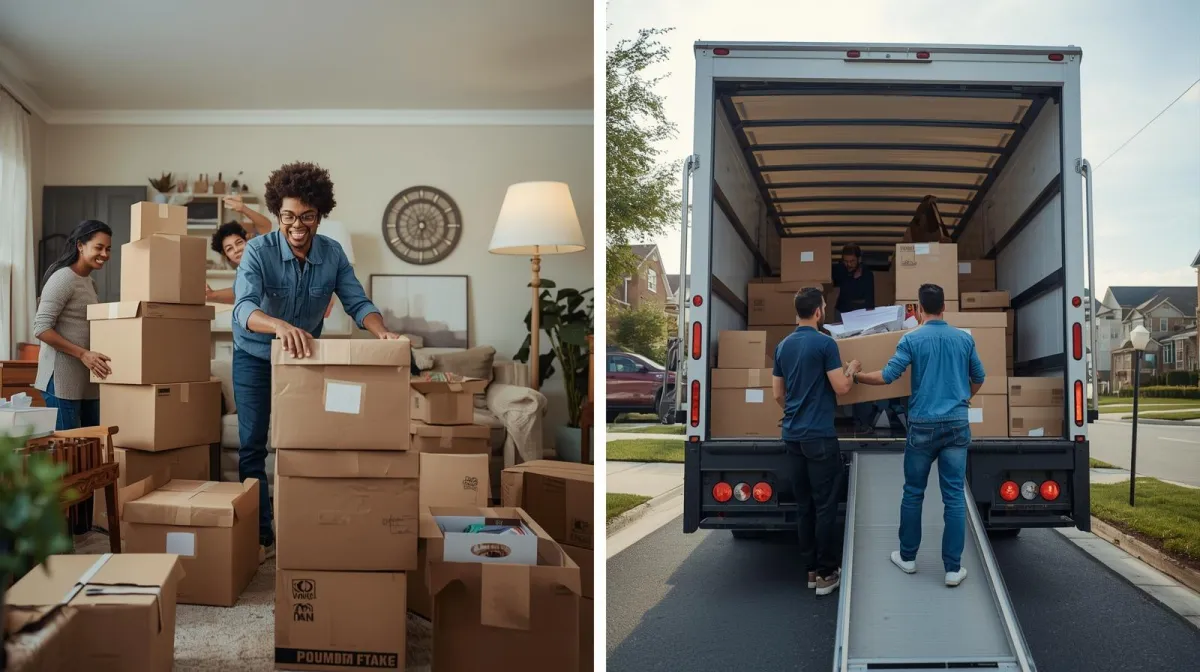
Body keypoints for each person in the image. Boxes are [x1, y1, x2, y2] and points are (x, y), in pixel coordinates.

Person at [232, 161, 403, 561]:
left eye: (307, 216)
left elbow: (357, 301)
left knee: (306, 443)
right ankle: (261, 537)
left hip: (303, 359)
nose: (297, 224)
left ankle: (304, 526)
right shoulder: (257, 250)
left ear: (320, 216)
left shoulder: (333, 253)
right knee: (253, 445)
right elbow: (243, 308)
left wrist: (382, 332)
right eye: (289, 215)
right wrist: (278, 326)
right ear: (278, 214)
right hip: (255, 356)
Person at [852, 283, 985, 587]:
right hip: (956, 425)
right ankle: (953, 569)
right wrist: (963, 399)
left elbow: (887, 376)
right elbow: (979, 376)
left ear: (919, 309)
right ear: (944, 307)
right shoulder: (964, 339)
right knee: (953, 498)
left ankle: (908, 557)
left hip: (923, 426)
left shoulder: (911, 338)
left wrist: (855, 376)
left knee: (913, 492)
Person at [772, 286, 859, 595]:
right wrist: (851, 369)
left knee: (804, 506)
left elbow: (777, 394)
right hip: (820, 437)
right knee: (825, 506)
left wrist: (795, 413)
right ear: (820, 312)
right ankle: (826, 573)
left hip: (792, 436)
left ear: (798, 312)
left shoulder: (782, 346)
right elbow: (842, 389)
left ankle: (810, 570)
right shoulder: (826, 343)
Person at [32, 220, 114, 535]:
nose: (104, 254)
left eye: (108, 249)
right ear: (80, 245)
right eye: (99, 247)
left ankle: (81, 527)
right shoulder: (63, 278)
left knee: (88, 458)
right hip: (62, 382)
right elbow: (41, 328)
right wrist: (83, 354)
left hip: (88, 383)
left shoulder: (89, 282)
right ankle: (61, 532)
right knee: (69, 461)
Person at [832, 243, 878, 434]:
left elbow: (870, 302)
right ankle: (844, 410)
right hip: (841, 317)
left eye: (852, 261)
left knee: (860, 361)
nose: (848, 264)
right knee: (841, 360)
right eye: (846, 261)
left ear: (859, 259)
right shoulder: (839, 270)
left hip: (861, 320)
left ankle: (863, 417)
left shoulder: (867, 274)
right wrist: (850, 277)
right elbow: (835, 286)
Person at [204, 196, 275, 303]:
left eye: (239, 243)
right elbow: (240, 292)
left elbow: (267, 226)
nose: (236, 250)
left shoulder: (261, 253)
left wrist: (243, 208)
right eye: (229, 249)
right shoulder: (242, 271)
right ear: (227, 256)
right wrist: (212, 295)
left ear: (247, 241)